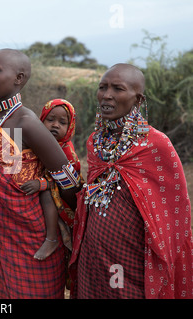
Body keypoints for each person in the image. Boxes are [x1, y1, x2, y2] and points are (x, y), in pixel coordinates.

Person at [69, 63, 193, 299]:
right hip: (93, 253)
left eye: (118, 89)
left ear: (138, 100)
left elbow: (174, 212)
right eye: (102, 87)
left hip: (132, 257)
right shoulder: (95, 143)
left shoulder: (155, 144)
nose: (107, 95)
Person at [0, 48, 81, 299]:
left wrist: (78, 221)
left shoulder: (26, 122)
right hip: (4, 234)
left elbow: (66, 177)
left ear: (19, 78)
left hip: (34, 238)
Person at [20, 99, 81, 261]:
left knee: (46, 195)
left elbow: (73, 185)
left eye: (62, 122)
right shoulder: (35, 143)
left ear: (70, 127)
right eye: (50, 119)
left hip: (62, 198)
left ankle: (51, 238)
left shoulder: (67, 152)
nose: (55, 125)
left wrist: (42, 184)